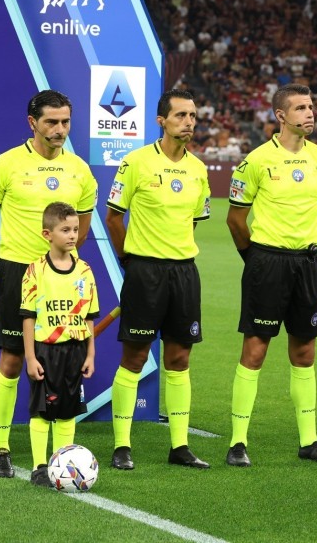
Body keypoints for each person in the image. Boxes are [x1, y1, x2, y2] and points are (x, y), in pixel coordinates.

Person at [0, 90, 97, 478]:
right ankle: (2, 448)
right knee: (12, 361)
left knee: (63, 367)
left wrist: (62, 268)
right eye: (51, 122)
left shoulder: (80, 171)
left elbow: (82, 231)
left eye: (65, 122)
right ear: (32, 123)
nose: (60, 130)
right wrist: (1, 268)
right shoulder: (5, 165)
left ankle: (58, 452)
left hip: (63, 282)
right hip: (17, 274)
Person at [226, 83, 317, 467]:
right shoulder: (256, 160)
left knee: (305, 350)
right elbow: (236, 220)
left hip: (306, 263)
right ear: (280, 116)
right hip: (267, 263)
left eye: (311, 106)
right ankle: (237, 442)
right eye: (301, 108)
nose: (310, 113)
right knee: (256, 349)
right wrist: (255, 258)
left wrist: (307, 243)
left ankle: (309, 441)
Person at [106, 89, 211, 470]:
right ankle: (121, 446)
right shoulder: (135, 162)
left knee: (180, 358)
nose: (189, 122)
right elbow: (113, 217)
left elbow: (195, 222)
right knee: (134, 357)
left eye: (193, 115)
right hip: (144, 271)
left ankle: (179, 447)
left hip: (184, 272)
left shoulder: (199, 170)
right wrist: (128, 262)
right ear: (161, 120)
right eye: (181, 115)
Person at [21, 202, 98, 486]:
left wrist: (90, 353)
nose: (72, 235)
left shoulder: (85, 272)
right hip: (45, 350)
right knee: (42, 410)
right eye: (65, 229)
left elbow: (89, 316)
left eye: (75, 229)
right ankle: (39, 466)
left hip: (75, 350)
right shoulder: (35, 271)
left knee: (68, 409)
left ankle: (61, 462)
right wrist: (30, 357)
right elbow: (28, 317)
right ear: (47, 234)